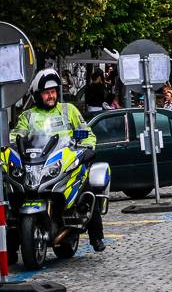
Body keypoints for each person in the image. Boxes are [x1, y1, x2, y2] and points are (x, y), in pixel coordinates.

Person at [10, 70, 104, 252]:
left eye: (53, 91)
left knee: (86, 190)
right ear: (37, 95)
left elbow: (86, 133)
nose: (51, 95)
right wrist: (9, 148)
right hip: (36, 165)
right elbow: (16, 137)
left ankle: (97, 236)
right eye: (46, 93)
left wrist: (87, 148)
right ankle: (11, 244)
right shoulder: (28, 116)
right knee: (12, 196)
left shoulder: (69, 110)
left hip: (65, 164)